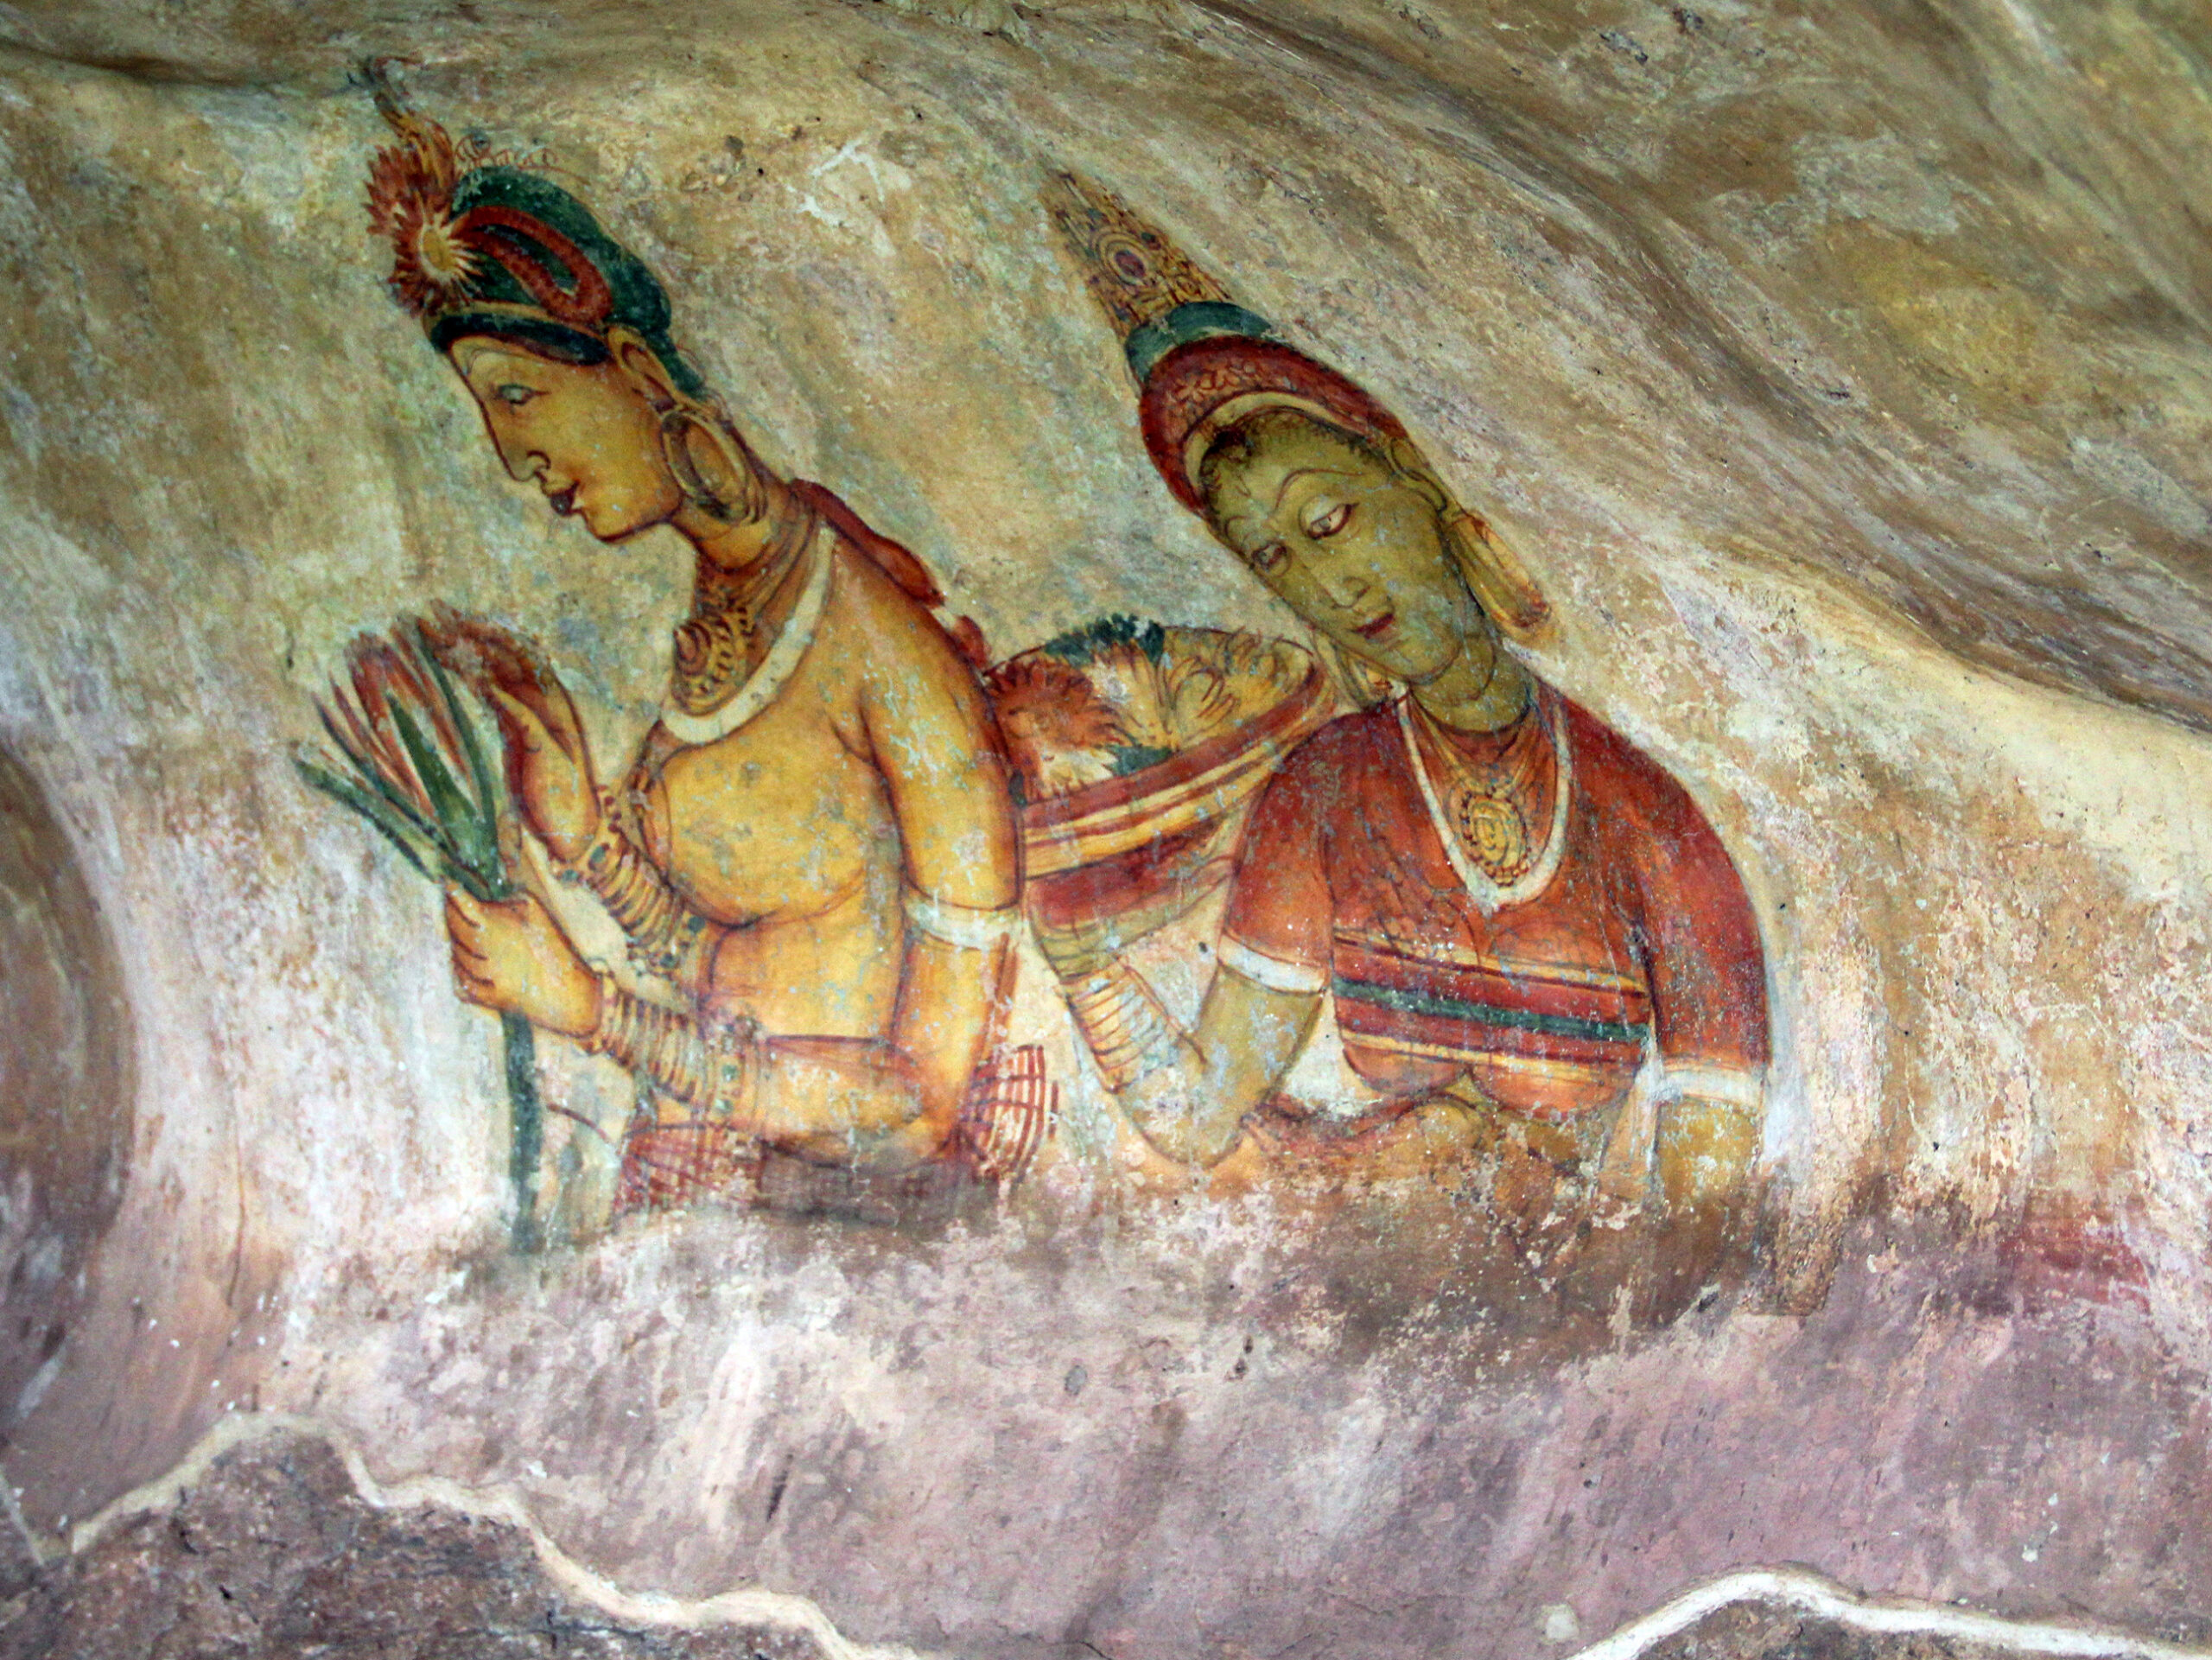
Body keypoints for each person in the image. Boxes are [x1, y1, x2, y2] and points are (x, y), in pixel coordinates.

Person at [1037, 174, 1770, 1297]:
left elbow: (1701, 1227)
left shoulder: (1649, 823)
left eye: (1330, 519)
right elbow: (1197, 1114)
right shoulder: (1322, 791)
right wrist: (1083, 956)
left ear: (1413, 484)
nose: (1329, 579)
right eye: (1277, 558)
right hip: (1350, 1302)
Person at [361, 89, 1036, 1215]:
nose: (512, 454)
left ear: (634, 365)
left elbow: (920, 1098)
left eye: (518, 394)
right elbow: (741, 963)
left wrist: (591, 1012)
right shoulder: (732, 604)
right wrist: (584, 839)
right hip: (705, 1212)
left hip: (841, 1243)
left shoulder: (887, 656)